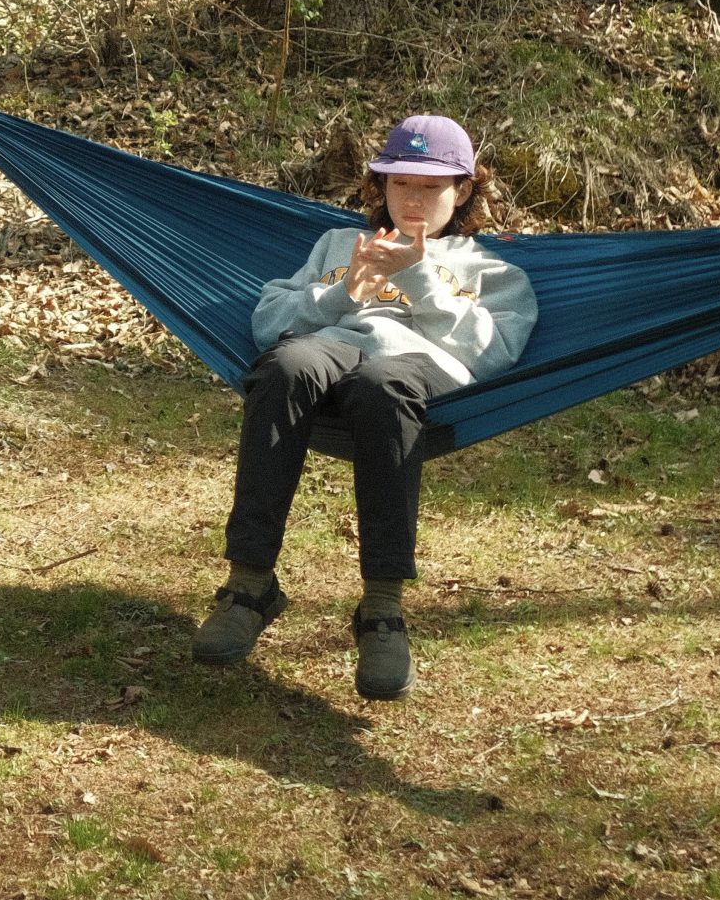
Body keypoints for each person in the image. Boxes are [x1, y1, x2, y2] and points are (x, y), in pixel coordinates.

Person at [191, 114, 538, 699]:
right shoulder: (335, 244)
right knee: (283, 367)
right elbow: (268, 322)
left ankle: (382, 608)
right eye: (402, 184)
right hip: (328, 353)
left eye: (432, 187)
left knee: (383, 386)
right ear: (381, 187)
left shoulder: (494, 271)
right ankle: (249, 583)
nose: (415, 199)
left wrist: (419, 275)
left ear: (465, 190)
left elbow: (495, 352)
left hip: (410, 371)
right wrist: (344, 289)